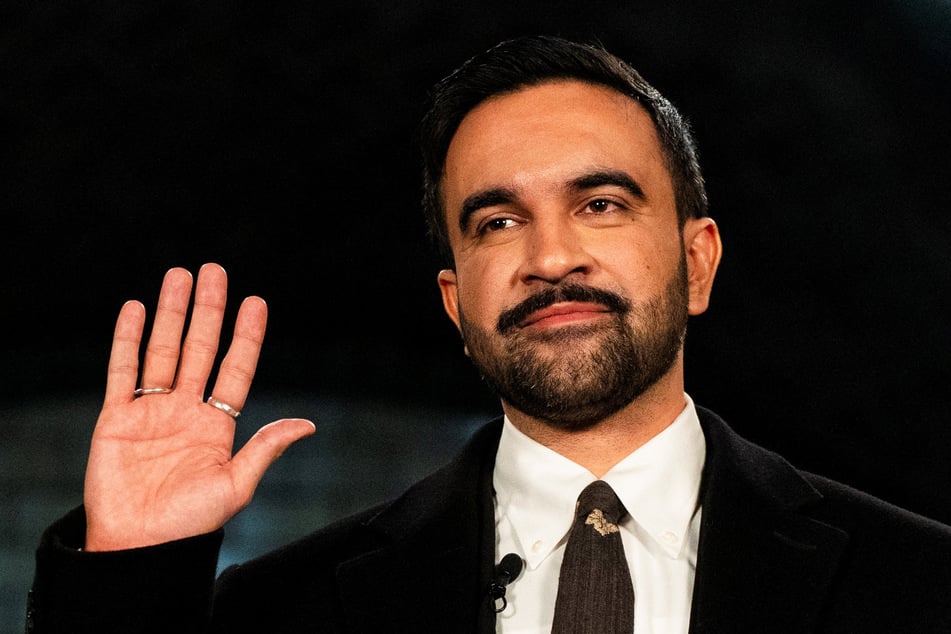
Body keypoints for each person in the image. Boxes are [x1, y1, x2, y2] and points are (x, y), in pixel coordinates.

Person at [26, 35, 951, 634]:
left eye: (599, 203)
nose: (550, 256)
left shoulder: (918, 584)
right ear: (453, 303)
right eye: (496, 222)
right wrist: (128, 580)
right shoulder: (282, 612)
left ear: (698, 261)